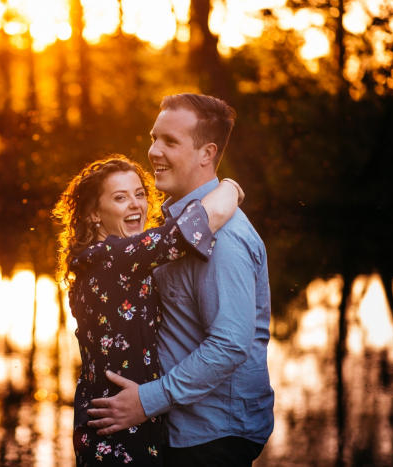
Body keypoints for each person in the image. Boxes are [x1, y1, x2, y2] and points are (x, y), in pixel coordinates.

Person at [86, 94, 274, 467]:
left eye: (170, 141)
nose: (153, 150)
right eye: (154, 137)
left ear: (207, 153)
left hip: (212, 437)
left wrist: (148, 399)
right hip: (181, 430)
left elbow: (231, 344)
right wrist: (231, 188)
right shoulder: (176, 226)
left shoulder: (224, 240)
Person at [53, 155, 244, 466]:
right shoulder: (114, 257)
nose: (135, 205)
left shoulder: (96, 260)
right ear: (93, 215)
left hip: (110, 419)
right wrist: (232, 187)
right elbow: (204, 220)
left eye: (139, 194)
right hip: (117, 431)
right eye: (120, 197)